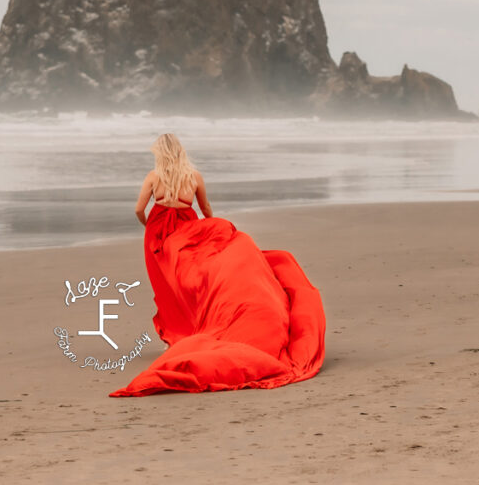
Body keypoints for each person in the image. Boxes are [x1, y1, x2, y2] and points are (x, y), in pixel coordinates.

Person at [108, 132, 326, 398]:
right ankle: (188, 332)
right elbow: (206, 209)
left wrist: (149, 228)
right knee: (194, 281)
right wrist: (209, 231)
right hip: (188, 231)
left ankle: (178, 336)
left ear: (160, 154)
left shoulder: (154, 177)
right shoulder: (194, 177)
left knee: (168, 287)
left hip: (160, 236)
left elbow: (138, 209)